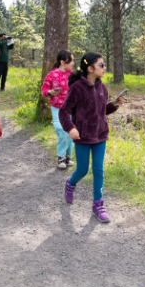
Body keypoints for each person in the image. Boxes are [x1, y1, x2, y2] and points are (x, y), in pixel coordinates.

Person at [59, 52, 125, 223]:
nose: (104, 68)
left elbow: (102, 111)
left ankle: (98, 204)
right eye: (101, 65)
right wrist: (70, 128)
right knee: (82, 170)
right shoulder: (77, 88)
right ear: (90, 68)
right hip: (82, 136)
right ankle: (70, 183)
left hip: (100, 135)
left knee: (98, 170)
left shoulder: (102, 87)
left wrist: (114, 106)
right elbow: (64, 111)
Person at [41, 50, 75, 169]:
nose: (73, 63)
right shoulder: (52, 75)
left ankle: (67, 157)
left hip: (70, 109)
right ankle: (61, 156)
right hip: (57, 108)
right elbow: (44, 91)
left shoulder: (72, 75)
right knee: (61, 129)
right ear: (62, 62)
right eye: (71, 60)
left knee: (70, 132)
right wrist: (51, 92)